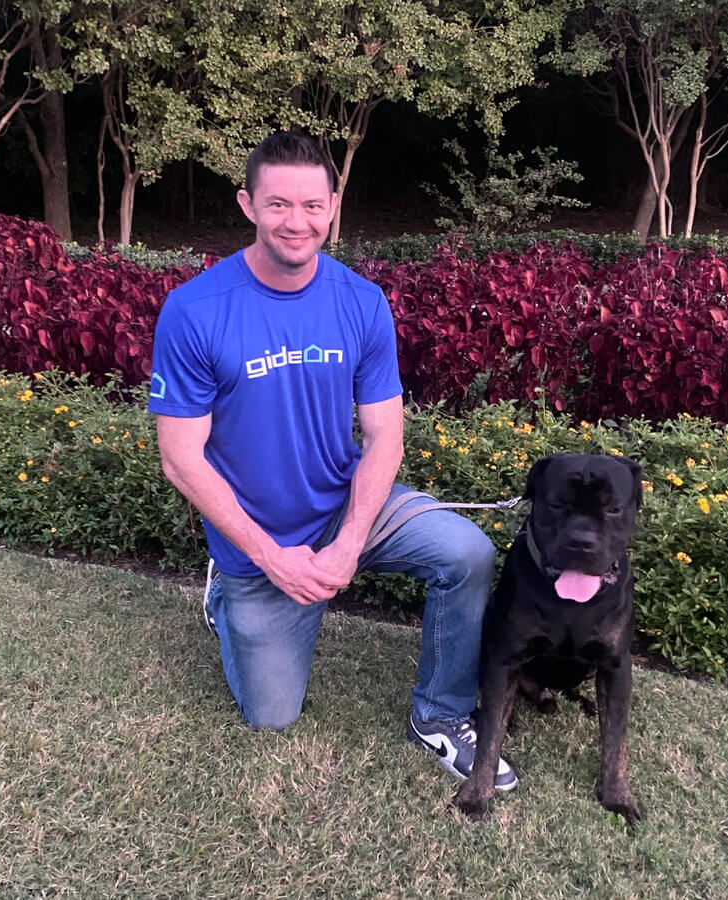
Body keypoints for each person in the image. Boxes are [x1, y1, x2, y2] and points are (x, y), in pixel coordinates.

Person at [148, 130, 515, 791]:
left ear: (333, 205)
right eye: (279, 204)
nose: (298, 222)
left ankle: (440, 715)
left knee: (467, 554)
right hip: (261, 537)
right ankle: (227, 601)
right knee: (272, 718)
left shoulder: (361, 302)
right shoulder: (195, 311)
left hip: (348, 506)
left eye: (313, 206)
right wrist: (268, 556)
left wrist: (349, 541)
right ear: (248, 205)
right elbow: (180, 459)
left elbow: (385, 438)